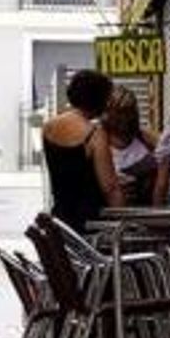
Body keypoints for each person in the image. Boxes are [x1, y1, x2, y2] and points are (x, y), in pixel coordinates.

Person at [41, 70, 123, 232]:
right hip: (90, 225)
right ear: (98, 99)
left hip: (61, 220)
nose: (108, 104)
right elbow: (110, 188)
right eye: (107, 98)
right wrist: (125, 220)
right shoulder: (94, 134)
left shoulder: (48, 128)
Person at [102, 86, 158, 206]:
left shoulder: (146, 139)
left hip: (144, 213)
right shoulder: (98, 140)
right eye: (120, 112)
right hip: (108, 215)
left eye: (129, 111)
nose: (125, 118)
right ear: (108, 113)